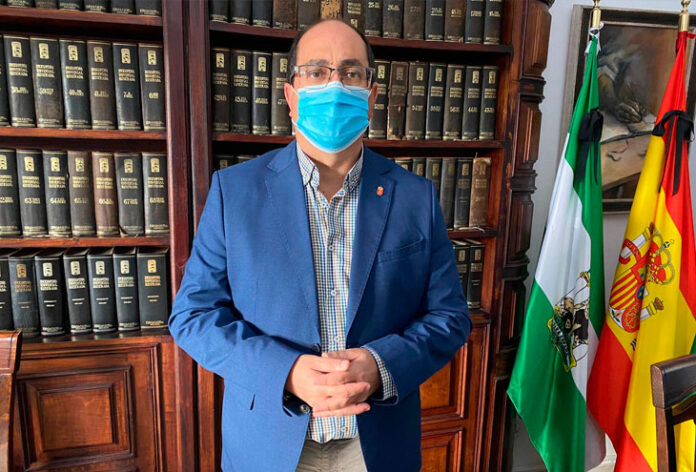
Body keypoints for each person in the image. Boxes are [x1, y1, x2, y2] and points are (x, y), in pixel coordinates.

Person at [169, 19, 471, 472]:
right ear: (291, 96)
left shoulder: (415, 197)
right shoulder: (235, 192)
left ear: (371, 94)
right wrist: (286, 372)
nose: (334, 85)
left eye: (351, 72)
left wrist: (381, 366)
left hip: (375, 445)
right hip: (269, 444)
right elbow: (193, 317)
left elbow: (450, 317)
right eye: (316, 71)